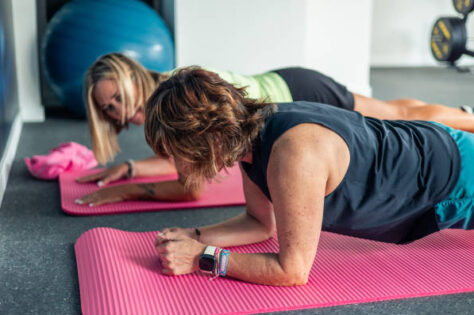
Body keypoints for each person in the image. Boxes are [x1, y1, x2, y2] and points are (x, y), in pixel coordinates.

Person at [145, 67, 473, 286]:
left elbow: (292, 270)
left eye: (176, 151)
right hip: (429, 150)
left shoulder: (292, 156)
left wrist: (202, 258)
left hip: (455, 178)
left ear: (206, 136)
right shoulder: (248, 137)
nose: (176, 163)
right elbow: (258, 223)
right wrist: (194, 234)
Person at [75, 52, 474, 207]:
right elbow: (183, 164)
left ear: (133, 79)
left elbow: (190, 185)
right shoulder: (167, 105)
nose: (117, 111)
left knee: (395, 120)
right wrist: (130, 169)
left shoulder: (172, 104)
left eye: (118, 97)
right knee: (393, 114)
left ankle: (466, 118)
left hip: (297, 95)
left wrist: (126, 190)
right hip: (283, 87)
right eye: (107, 108)